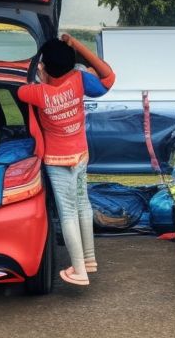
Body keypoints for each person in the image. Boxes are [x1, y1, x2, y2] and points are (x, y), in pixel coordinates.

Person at [17, 34, 115, 286]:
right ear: (72, 64)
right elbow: (108, 77)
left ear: (46, 67)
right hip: (81, 154)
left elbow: (21, 90)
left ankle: (79, 271)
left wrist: (41, 75)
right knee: (82, 203)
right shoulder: (79, 80)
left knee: (67, 212)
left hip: (57, 159)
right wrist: (77, 46)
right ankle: (89, 259)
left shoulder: (37, 94)